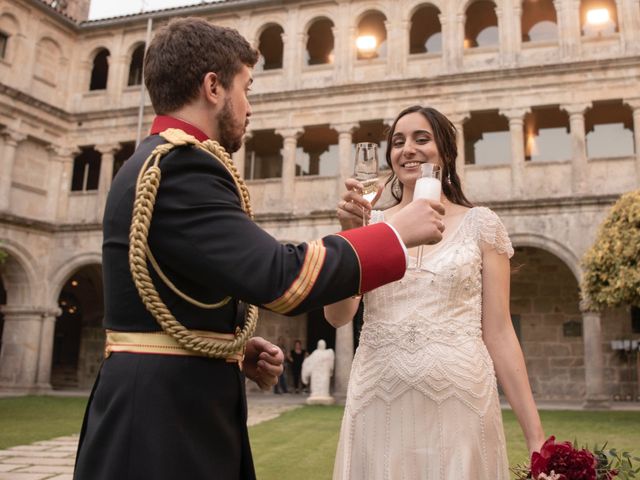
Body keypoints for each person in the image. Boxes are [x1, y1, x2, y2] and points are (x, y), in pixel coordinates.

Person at [73, 20, 447, 480]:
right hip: (160, 424)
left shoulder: (159, 161)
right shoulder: (184, 166)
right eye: (246, 88)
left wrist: (225, 347)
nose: (250, 107)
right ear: (213, 87)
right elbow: (283, 279)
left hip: (170, 402)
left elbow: (170, 293)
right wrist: (394, 234)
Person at [325, 105, 545, 479]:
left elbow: (500, 333)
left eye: (420, 139)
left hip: (461, 401)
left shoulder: (482, 225)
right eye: (397, 142)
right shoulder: (370, 224)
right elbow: (338, 316)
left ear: (445, 150)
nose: (406, 148)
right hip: (380, 402)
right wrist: (350, 239)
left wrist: (537, 437)